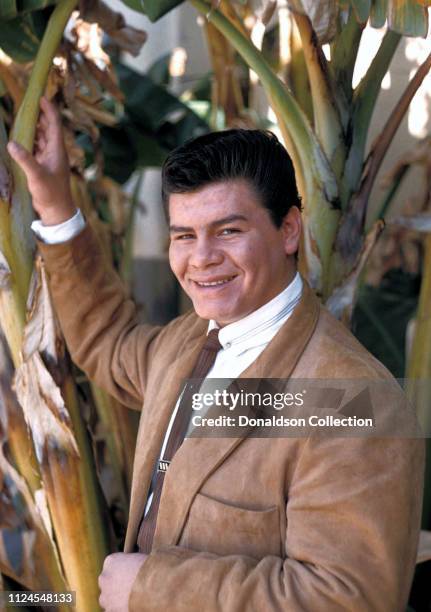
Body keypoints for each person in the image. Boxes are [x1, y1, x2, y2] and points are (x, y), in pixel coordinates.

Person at [8, 98, 424, 612]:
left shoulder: (356, 399)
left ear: (289, 230)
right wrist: (55, 209)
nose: (201, 258)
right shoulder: (190, 340)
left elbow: (348, 599)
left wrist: (151, 589)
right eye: (184, 235)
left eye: (228, 230)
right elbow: (110, 343)